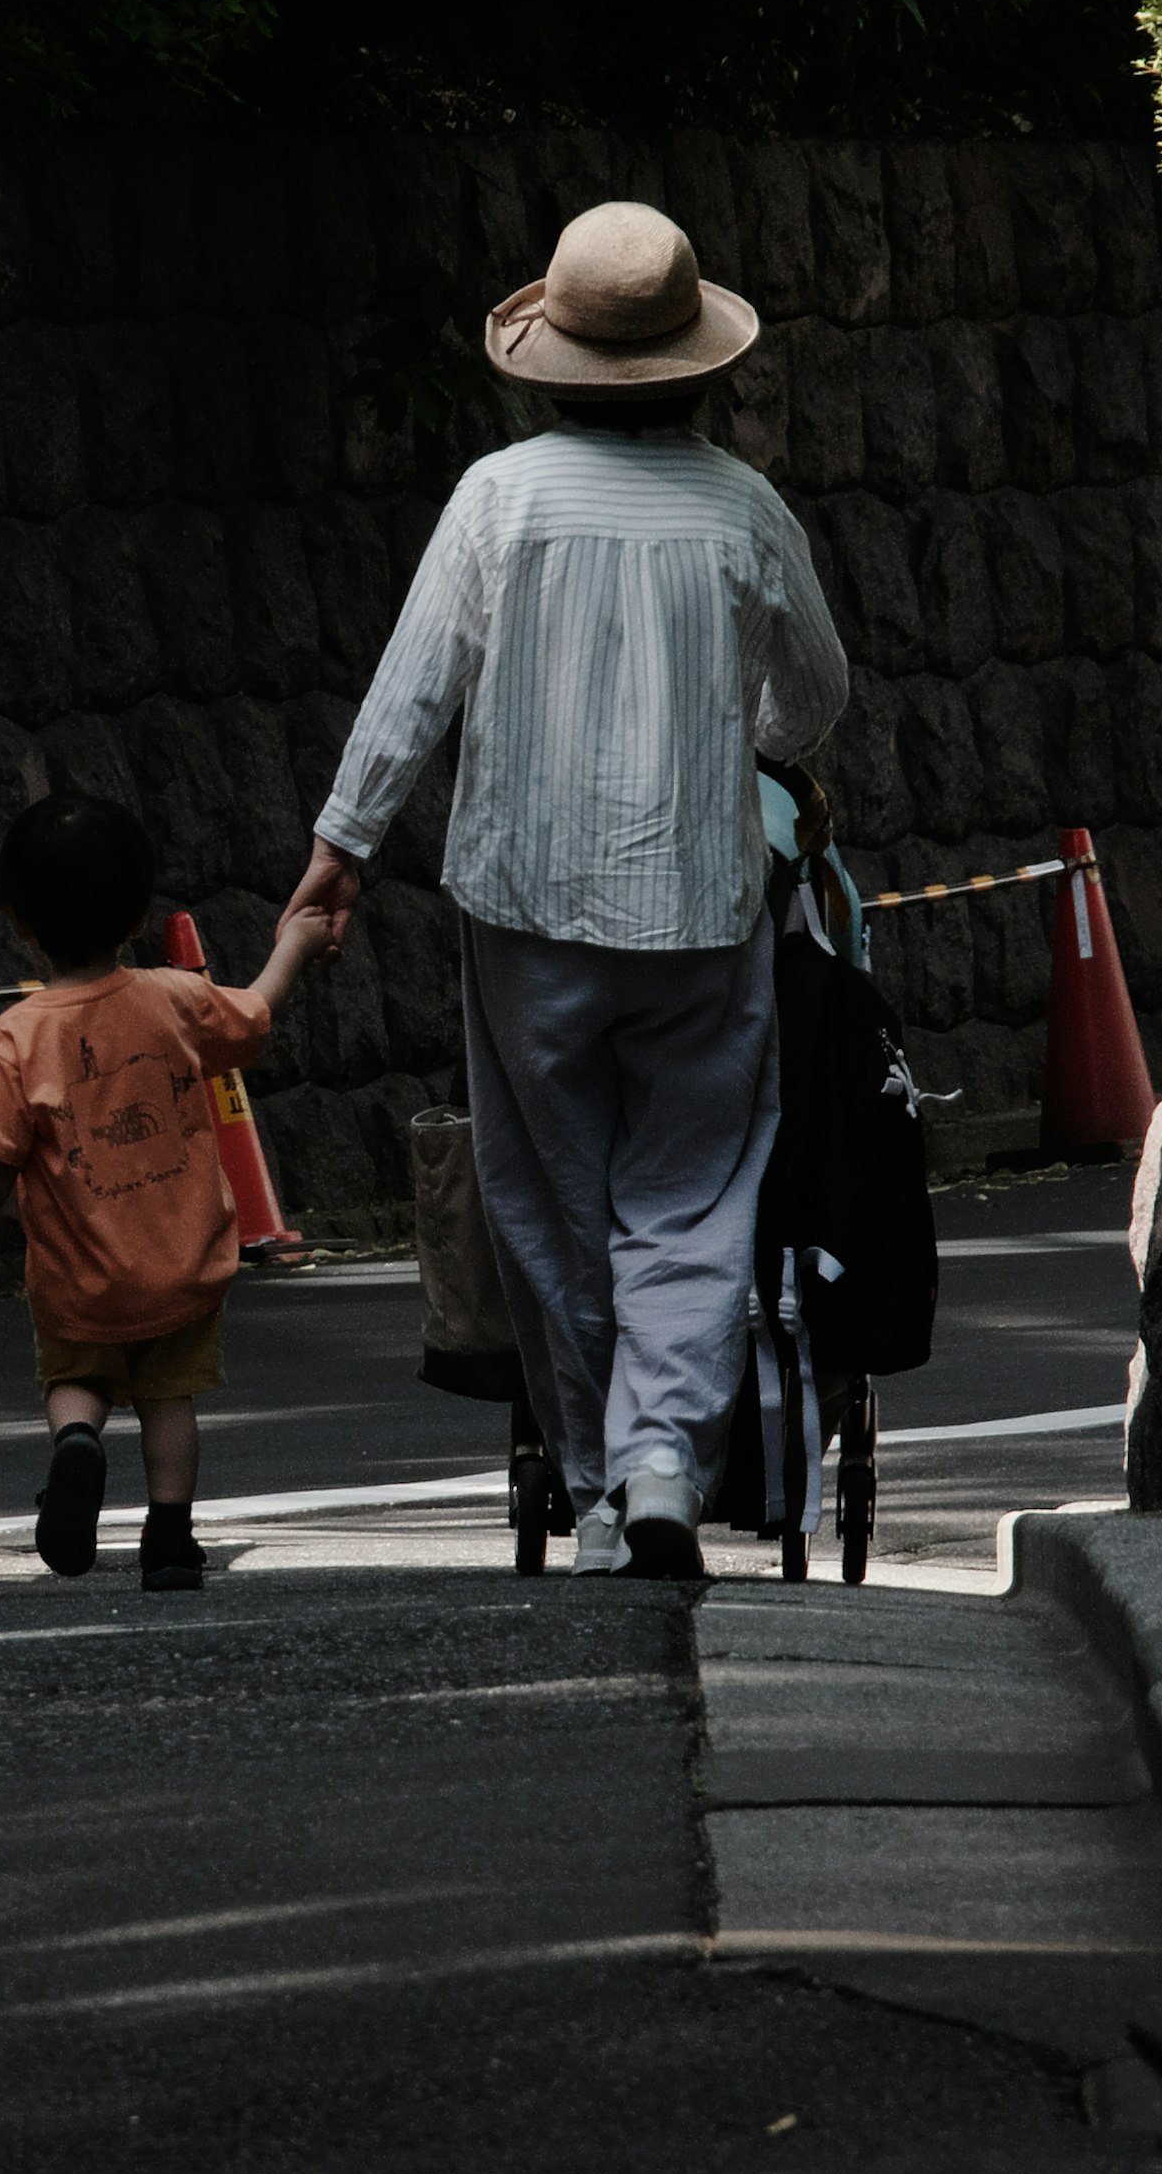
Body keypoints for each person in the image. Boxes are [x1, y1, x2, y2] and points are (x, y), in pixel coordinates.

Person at [283, 201, 852, 1579]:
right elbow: (816, 694)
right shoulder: (742, 507)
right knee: (698, 1192)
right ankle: (664, 1463)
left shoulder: (500, 497)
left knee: (550, 1195)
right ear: (697, 361)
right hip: (702, 912)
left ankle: (599, 1484)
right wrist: (752, 744)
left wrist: (341, 850)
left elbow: (413, 689)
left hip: (525, 911)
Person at [0, 795, 341, 1591]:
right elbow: (255, 1015)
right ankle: (168, 1537)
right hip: (179, 1269)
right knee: (169, 1400)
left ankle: (77, 1446)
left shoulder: (17, 1036)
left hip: (80, 1280)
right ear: (135, 913)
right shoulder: (174, 999)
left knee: (74, 1380)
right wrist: (295, 942)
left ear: (20, 922)